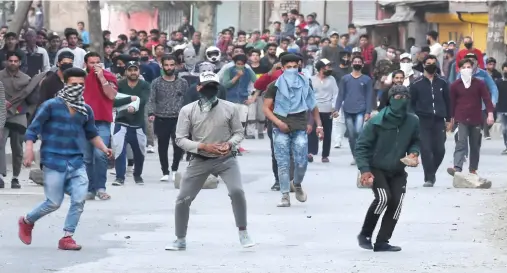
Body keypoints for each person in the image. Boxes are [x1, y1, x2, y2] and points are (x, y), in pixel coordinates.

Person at [18, 68, 112, 250]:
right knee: (53, 202)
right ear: (65, 84)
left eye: (80, 85)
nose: (77, 88)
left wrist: (103, 147)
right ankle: (27, 221)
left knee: (79, 198)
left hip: (76, 161)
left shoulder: (85, 110)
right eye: (73, 85)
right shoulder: (51, 105)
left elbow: (92, 133)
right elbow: (33, 129)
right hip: (53, 160)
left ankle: (67, 237)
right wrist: (29, 149)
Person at [166, 71, 255, 250]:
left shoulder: (230, 108)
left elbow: (239, 132)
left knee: (237, 191)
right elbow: (180, 139)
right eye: (207, 86)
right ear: (199, 88)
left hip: (226, 158)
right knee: (183, 198)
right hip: (200, 159)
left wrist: (229, 144)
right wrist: (202, 146)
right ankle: (180, 238)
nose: (210, 90)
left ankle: (243, 231)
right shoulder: (188, 110)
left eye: (214, 86)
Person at [355, 84, 420, 252]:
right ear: (390, 99)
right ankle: (365, 234)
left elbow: (416, 140)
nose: (402, 101)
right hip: (376, 168)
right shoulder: (376, 121)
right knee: (384, 198)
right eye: (398, 98)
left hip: (398, 169)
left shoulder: (413, 121)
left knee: (396, 202)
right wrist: (364, 170)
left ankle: (382, 241)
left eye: (406, 98)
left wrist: (413, 153)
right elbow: (361, 147)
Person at [263, 53, 323, 207]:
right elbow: (266, 108)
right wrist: (278, 122)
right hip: (280, 127)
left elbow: (313, 105)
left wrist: (318, 125)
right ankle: (284, 196)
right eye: (288, 67)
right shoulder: (274, 86)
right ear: (282, 68)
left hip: (300, 126)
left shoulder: (305, 83)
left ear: (299, 67)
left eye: (294, 67)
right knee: (282, 163)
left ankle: (296, 184)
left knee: (301, 161)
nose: (291, 70)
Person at [447, 58, 495, 177]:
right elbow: (451, 103)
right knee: (461, 142)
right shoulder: (455, 86)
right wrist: (450, 119)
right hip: (461, 118)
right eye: (464, 67)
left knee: (475, 145)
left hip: (476, 118)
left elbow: (487, 99)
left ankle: (473, 169)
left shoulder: (479, 84)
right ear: (459, 70)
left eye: (469, 67)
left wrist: (490, 113)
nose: (466, 70)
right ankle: (457, 168)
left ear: (473, 69)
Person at [410, 54, 450, 187]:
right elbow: (411, 103)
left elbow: (448, 101)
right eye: (428, 63)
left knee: (440, 150)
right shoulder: (416, 83)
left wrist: (449, 118)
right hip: (422, 120)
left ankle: (431, 172)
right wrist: (413, 117)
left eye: (434, 63)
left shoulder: (443, 82)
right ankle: (429, 178)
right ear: (423, 65)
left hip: (439, 120)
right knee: (426, 150)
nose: (431, 65)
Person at [0, 51, 38, 189]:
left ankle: (15, 177)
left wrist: (28, 113)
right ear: (6, 62)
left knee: (17, 148)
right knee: (0, 144)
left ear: (20, 63)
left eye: (16, 61)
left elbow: (33, 100)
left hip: (19, 115)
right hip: (2, 115)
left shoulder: (26, 79)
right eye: (10, 61)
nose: (13, 63)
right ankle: (1, 175)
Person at [83, 52, 118, 200]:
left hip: (102, 121)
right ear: (86, 64)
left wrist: (101, 77)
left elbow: (111, 95)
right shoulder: (80, 78)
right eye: (92, 63)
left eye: (98, 62)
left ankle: (101, 188)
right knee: (86, 157)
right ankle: (89, 189)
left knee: (100, 154)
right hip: (83, 121)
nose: (95, 65)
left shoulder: (109, 76)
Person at [148, 55, 188, 182]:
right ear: (162, 66)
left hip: (179, 118)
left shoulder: (183, 82)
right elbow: (151, 99)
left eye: (171, 65)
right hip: (161, 118)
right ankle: (165, 171)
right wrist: (150, 113)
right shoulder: (156, 83)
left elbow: (187, 100)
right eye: (166, 65)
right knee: (162, 145)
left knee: (178, 145)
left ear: (175, 66)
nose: (169, 67)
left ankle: (175, 169)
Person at [112, 61, 150, 186]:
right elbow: (113, 101)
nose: (133, 72)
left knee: (139, 151)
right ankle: (119, 177)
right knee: (119, 151)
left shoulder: (144, 85)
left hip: (138, 123)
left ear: (139, 71)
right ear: (126, 72)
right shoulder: (119, 84)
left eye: (135, 70)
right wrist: (130, 99)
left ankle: (138, 175)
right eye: (130, 70)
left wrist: (134, 106)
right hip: (121, 122)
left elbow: (143, 100)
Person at [334, 55, 374, 165]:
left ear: (362, 64)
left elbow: (369, 95)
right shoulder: (345, 79)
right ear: (352, 64)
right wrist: (336, 109)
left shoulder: (367, 79)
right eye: (355, 61)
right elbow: (340, 95)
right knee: (351, 135)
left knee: (358, 131)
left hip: (361, 109)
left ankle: (363, 153)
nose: (357, 63)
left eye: (359, 61)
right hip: (347, 110)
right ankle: (355, 156)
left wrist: (368, 111)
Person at [309, 58, 338, 163]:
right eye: (328, 66)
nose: (330, 68)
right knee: (312, 131)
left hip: (327, 109)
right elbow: (309, 95)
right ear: (321, 68)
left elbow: (335, 94)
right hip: (314, 109)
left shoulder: (332, 79)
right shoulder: (311, 79)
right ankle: (311, 153)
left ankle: (325, 155)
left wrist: (334, 107)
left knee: (327, 132)